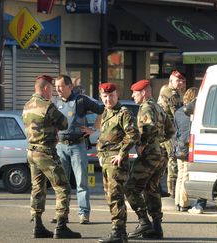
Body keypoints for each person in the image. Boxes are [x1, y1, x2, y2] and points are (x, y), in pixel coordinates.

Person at [22, 75, 81, 239]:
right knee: (63, 187)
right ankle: (61, 226)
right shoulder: (48, 106)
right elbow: (64, 124)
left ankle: (37, 225)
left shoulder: (26, 106)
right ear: (46, 88)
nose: (53, 93)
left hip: (31, 152)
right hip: (46, 152)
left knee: (37, 189)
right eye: (52, 89)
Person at [126, 79, 175, 239]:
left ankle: (144, 222)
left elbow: (148, 128)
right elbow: (170, 130)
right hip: (160, 153)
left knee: (131, 188)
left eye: (135, 92)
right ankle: (156, 227)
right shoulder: (158, 107)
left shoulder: (146, 106)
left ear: (144, 92)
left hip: (149, 154)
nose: (132, 96)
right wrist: (157, 142)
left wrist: (142, 143)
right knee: (151, 189)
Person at [53, 74, 104, 224]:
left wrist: (94, 129)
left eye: (60, 86)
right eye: (56, 87)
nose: (58, 90)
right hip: (61, 146)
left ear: (70, 86)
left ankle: (84, 213)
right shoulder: (55, 102)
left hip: (77, 146)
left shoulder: (81, 100)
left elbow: (102, 110)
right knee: (61, 182)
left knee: (81, 182)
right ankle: (61, 213)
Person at [96, 83, 139, 243]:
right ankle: (120, 233)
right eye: (105, 96)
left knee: (115, 196)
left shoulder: (123, 112)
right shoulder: (106, 112)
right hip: (106, 161)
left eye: (111, 95)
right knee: (110, 196)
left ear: (117, 95)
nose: (108, 99)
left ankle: (118, 232)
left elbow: (133, 134)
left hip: (116, 161)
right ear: (101, 97)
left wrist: (122, 153)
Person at [157, 70, 185, 198]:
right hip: (169, 131)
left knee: (162, 160)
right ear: (171, 80)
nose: (180, 83)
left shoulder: (164, 88)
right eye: (178, 81)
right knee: (173, 159)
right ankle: (173, 190)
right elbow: (178, 114)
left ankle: (156, 187)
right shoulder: (173, 94)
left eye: (182, 81)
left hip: (161, 130)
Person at [174, 87, 199, 211]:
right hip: (188, 147)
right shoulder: (194, 112)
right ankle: (184, 203)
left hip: (179, 146)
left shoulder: (178, 112)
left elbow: (176, 130)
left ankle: (177, 202)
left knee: (180, 174)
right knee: (186, 175)